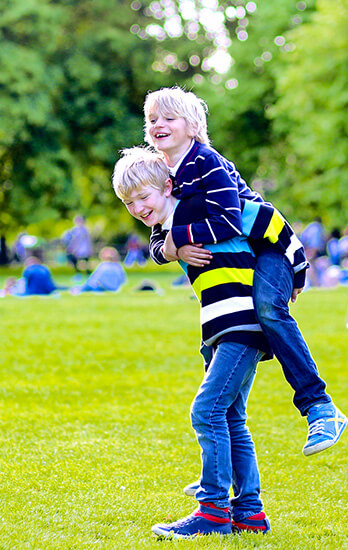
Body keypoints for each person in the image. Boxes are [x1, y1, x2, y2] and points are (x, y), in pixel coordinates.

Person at [142, 87, 346, 457]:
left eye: (169, 118)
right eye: (153, 119)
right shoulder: (162, 173)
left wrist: (180, 239)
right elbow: (158, 237)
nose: (159, 124)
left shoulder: (207, 162)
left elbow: (229, 221)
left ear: (193, 126)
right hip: (242, 259)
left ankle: (320, 407)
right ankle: (222, 467)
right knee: (225, 338)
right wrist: (170, 249)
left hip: (269, 245)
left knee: (267, 308)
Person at [114, 147, 277, 538]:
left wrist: (177, 242)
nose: (137, 208)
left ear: (168, 186)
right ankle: (250, 513)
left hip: (241, 322)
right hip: (221, 325)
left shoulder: (195, 208)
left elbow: (238, 213)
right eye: (129, 203)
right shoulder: (167, 224)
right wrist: (169, 248)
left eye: (143, 197)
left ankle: (213, 511)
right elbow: (157, 247)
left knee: (206, 410)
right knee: (231, 416)